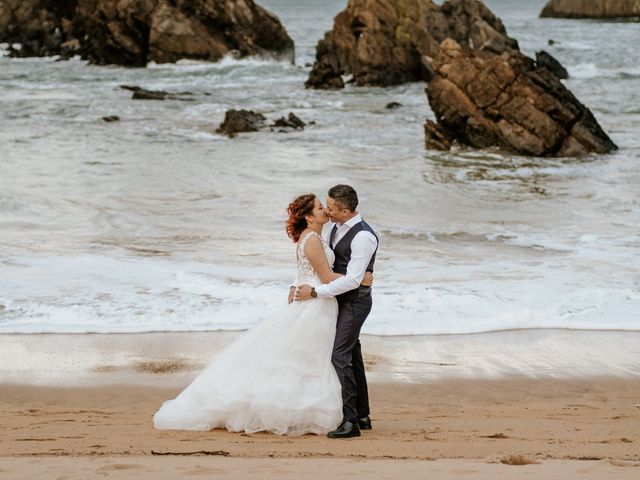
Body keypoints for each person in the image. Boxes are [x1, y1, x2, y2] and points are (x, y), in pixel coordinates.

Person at [153, 193, 368, 435]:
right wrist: (360, 279)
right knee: (307, 357)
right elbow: (326, 277)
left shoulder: (313, 236)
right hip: (315, 303)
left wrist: (297, 284)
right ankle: (301, 410)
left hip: (315, 299)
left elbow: (308, 273)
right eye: (320, 208)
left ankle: (338, 411)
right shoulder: (314, 239)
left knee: (308, 356)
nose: (325, 211)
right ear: (309, 216)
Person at [295, 185, 379, 439]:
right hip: (338, 300)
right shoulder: (335, 227)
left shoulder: (363, 237)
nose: (327, 211)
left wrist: (315, 292)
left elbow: (353, 280)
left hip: (354, 302)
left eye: (330, 208)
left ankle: (350, 422)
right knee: (352, 353)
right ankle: (362, 415)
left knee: (339, 356)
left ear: (344, 210)